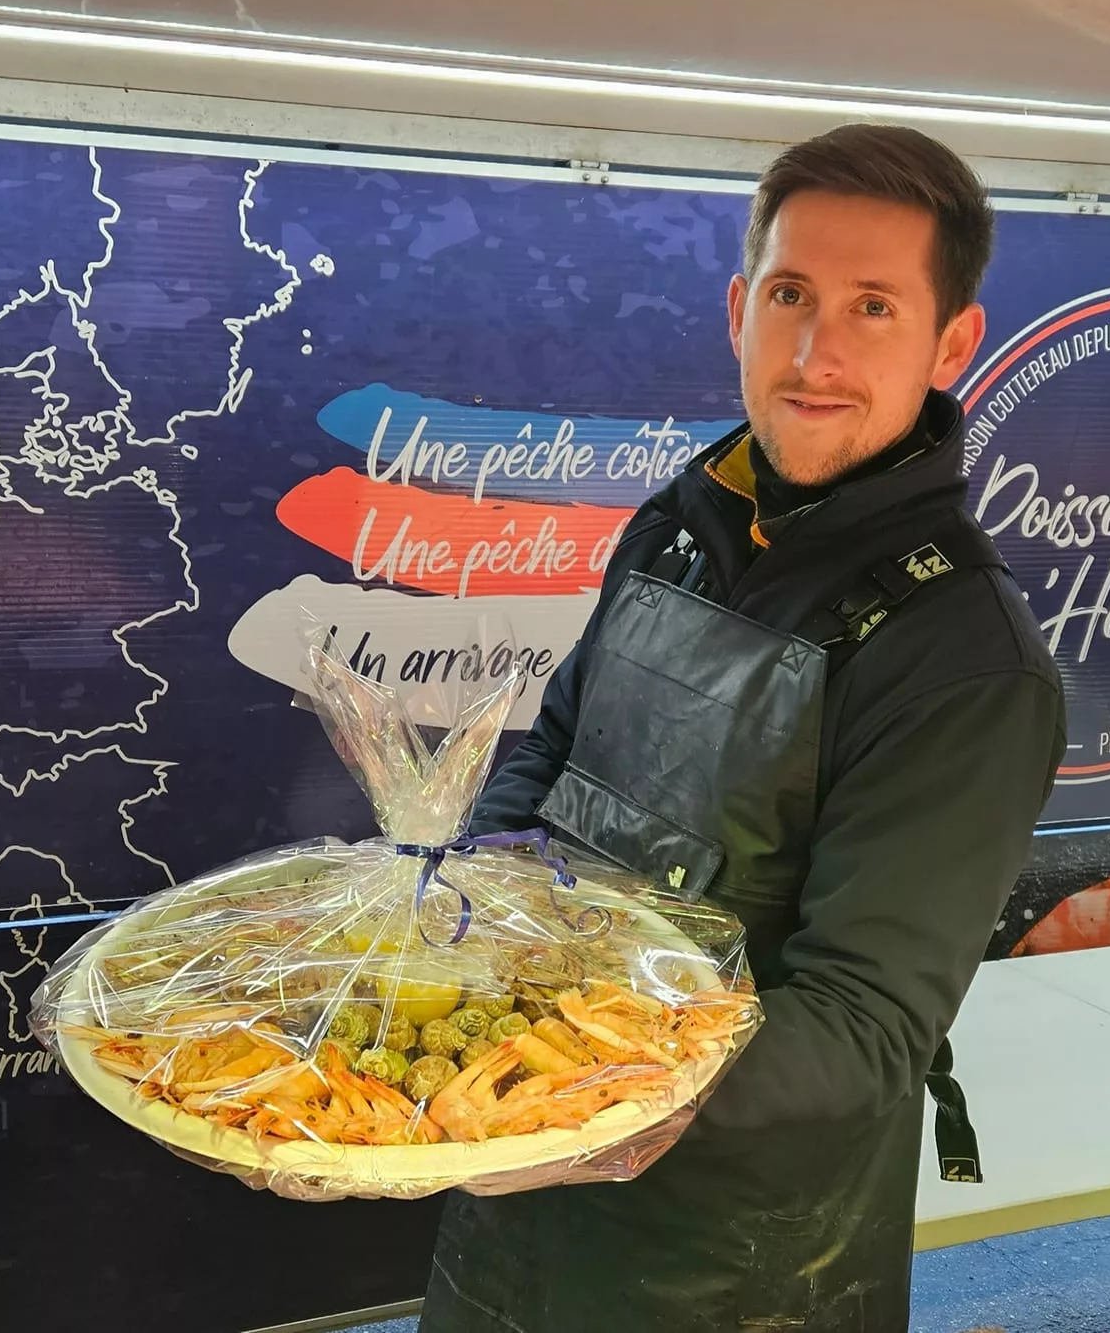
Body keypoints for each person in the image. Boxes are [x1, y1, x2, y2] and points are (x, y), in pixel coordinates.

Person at [421, 122, 1068, 1332]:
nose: (816, 352)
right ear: (738, 309)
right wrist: (466, 915)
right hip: (513, 1184)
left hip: (737, 1256)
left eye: (872, 306)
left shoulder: (967, 663)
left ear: (951, 342)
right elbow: (551, 752)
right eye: (790, 295)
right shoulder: (678, 522)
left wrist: (573, 1090)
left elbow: (861, 1026)